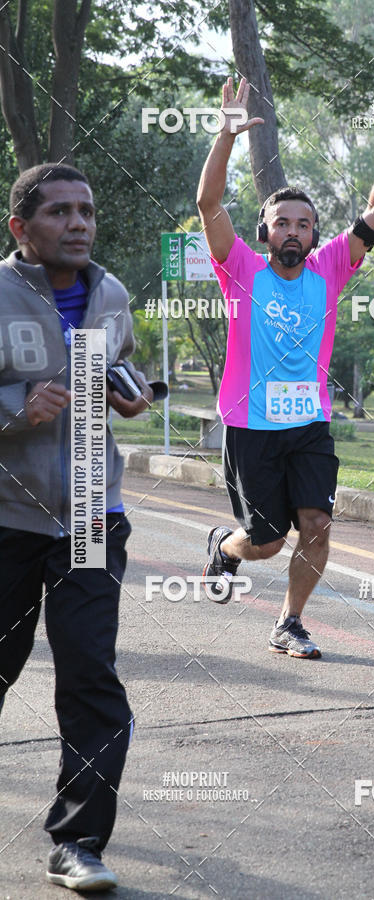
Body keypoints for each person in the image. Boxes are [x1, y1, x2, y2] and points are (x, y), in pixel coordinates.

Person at [198, 77, 374, 659]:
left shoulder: (330, 269)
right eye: (282, 223)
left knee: (316, 525)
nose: (293, 231)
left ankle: (289, 622)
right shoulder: (239, 268)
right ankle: (226, 545)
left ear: (314, 234)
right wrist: (226, 135)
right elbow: (209, 204)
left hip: (309, 425)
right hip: (251, 427)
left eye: (303, 224)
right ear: (265, 231)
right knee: (265, 543)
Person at [0, 163, 154, 891]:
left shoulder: (113, 294)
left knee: (91, 678)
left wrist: (132, 392)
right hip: (6, 518)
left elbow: (124, 366)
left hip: (93, 514)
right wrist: (13, 411)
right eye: (59, 211)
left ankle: (79, 841)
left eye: (86, 210)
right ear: (21, 229)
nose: (79, 223)